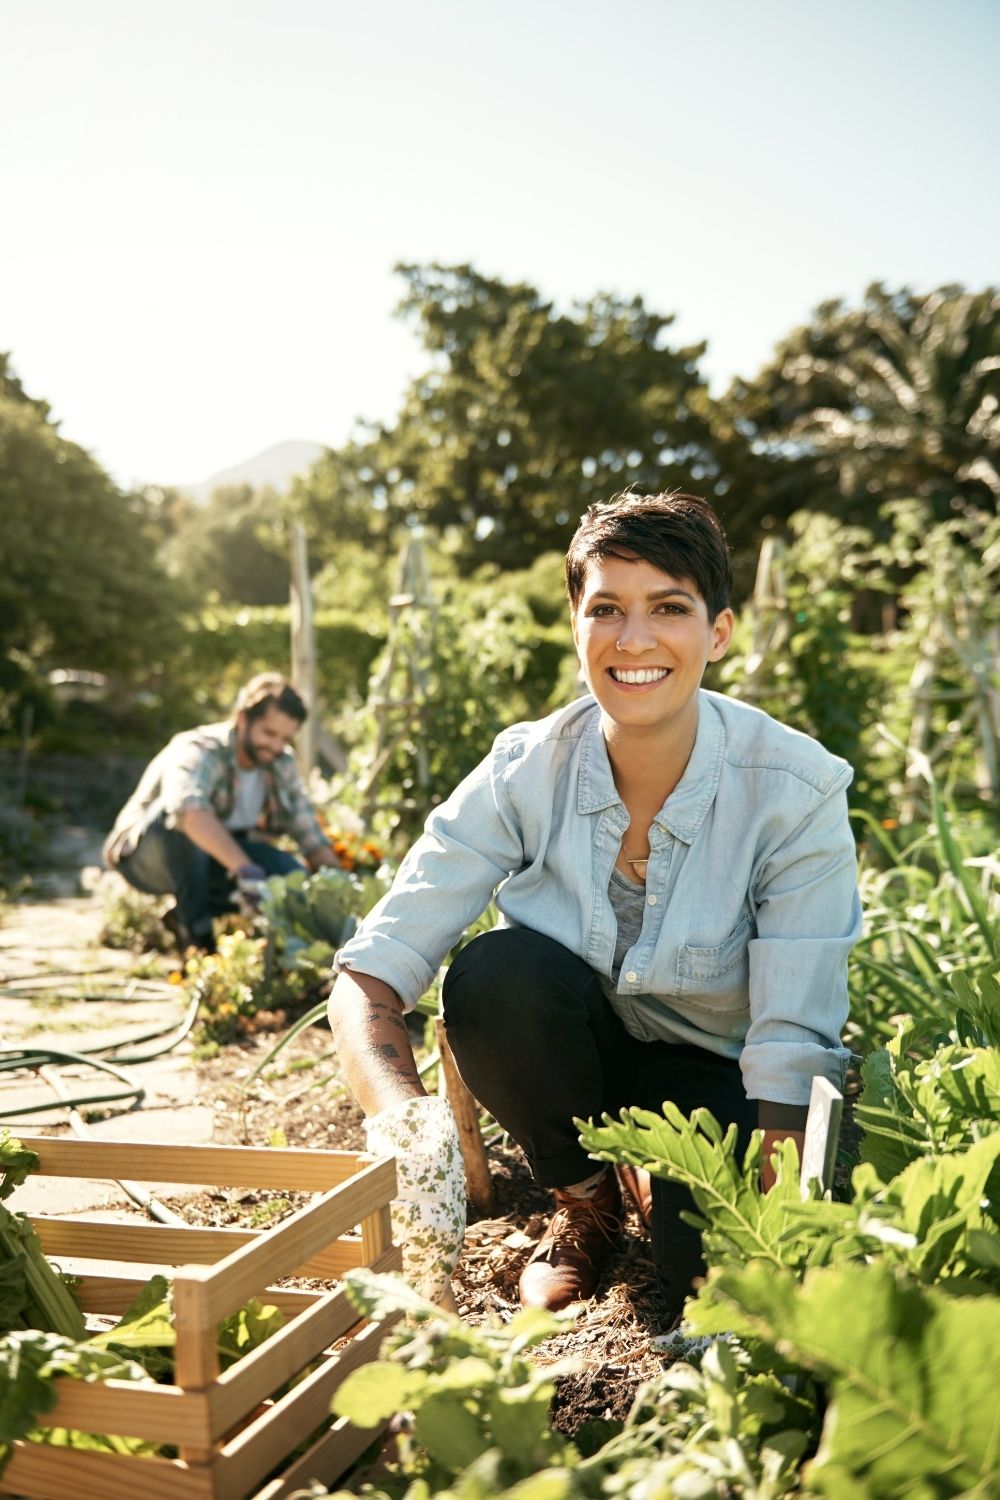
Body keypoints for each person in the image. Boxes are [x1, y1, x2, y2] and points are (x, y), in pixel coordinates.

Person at [327, 492, 862, 1317]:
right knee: (495, 974)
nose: (634, 639)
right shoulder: (524, 770)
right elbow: (372, 970)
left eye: (669, 608)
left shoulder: (794, 789)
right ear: (577, 621)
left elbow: (792, 1034)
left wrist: (772, 1217)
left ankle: (665, 1185)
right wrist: (406, 1129)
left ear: (718, 632)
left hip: (715, 1070)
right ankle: (586, 1200)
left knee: (702, 1280)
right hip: (574, 1058)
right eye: (607, 607)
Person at [104, 673, 340, 951]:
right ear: (243, 719)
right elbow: (187, 812)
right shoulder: (200, 748)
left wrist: (341, 888)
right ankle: (198, 938)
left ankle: (189, 916)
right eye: (269, 733)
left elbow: (307, 831)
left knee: (289, 872)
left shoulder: (281, 762)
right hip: (145, 856)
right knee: (182, 818)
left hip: (217, 861)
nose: (276, 746)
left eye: (286, 738)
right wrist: (248, 872)